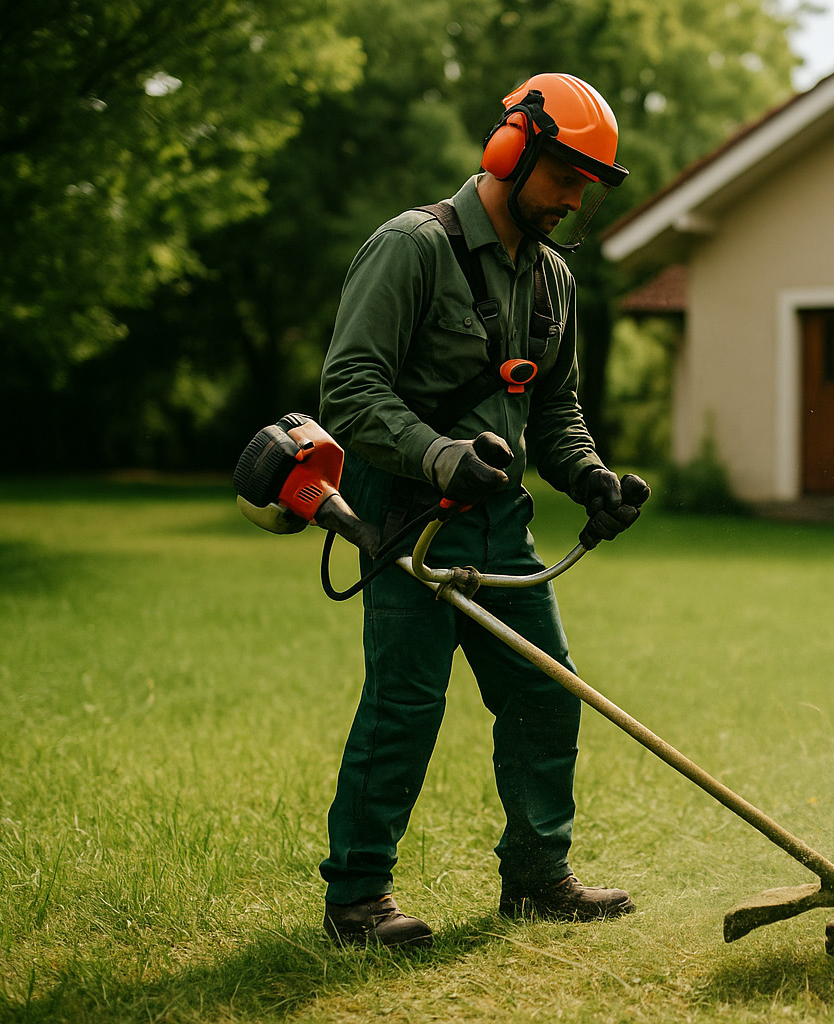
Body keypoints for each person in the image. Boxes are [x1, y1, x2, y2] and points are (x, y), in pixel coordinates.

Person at [315, 73, 646, 949]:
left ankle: (538, 878)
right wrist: (440, 455)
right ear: (513, 150)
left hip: (504, 530)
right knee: (405, 708)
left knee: (546, 696)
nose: (575, 198)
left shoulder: (552, 282)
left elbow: (554, 408)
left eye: (589, 184)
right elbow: (348, 390)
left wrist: (593, 479)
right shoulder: (412, 248)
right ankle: (357, 897)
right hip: (408, 520)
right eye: (565, 175)